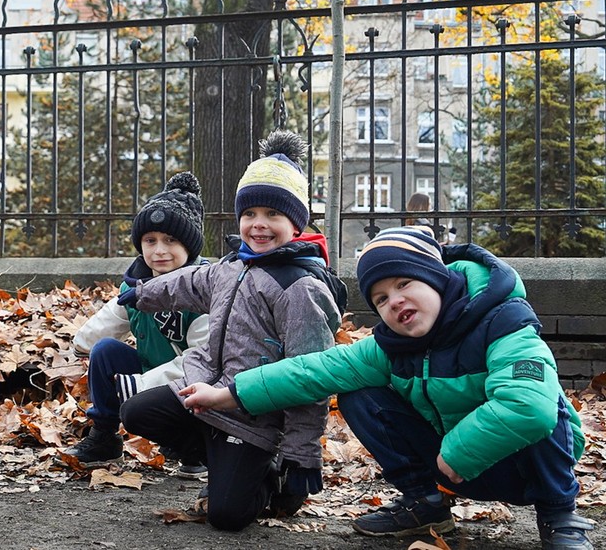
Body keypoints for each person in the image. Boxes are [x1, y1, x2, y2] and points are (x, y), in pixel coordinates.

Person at [180, 226, 595, 549]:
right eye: (379, 298)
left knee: (545, 402)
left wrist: (457, 452)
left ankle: (559, 513)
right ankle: (426, 504)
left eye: (404, 284)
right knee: (358, 393)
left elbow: (528, 408)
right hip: (448, 473)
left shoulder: (503, 323)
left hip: (520, 470)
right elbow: (313, 370)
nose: (393, 301)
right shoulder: (392, 347)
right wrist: (227, 394)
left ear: (437, 280)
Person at [116, 131, 348, 532]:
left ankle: (270, 475)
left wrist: (301, 454)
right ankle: (216, 458)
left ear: (296, 223)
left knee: (227, 517)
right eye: (250, 214)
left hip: (254, 416)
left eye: (273, 215)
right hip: (206, 389)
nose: (259, 225)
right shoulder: (232, 265)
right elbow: (188, 283)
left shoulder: (301, 287)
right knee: (137, 411)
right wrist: (143, 293)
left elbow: (310, 375)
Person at [64, 172, 210, 478]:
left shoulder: (202, 293)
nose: (159, 250)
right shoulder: (137, 284)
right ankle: (104, 435)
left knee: (189, 399)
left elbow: (202, 360)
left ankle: (193, 448)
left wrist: (142, 386)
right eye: (150, 240)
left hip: (191, 384)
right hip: (150, 370)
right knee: (104, 350)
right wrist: (80, 344)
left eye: (171, 240)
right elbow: (112, 317)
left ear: (190, 246)